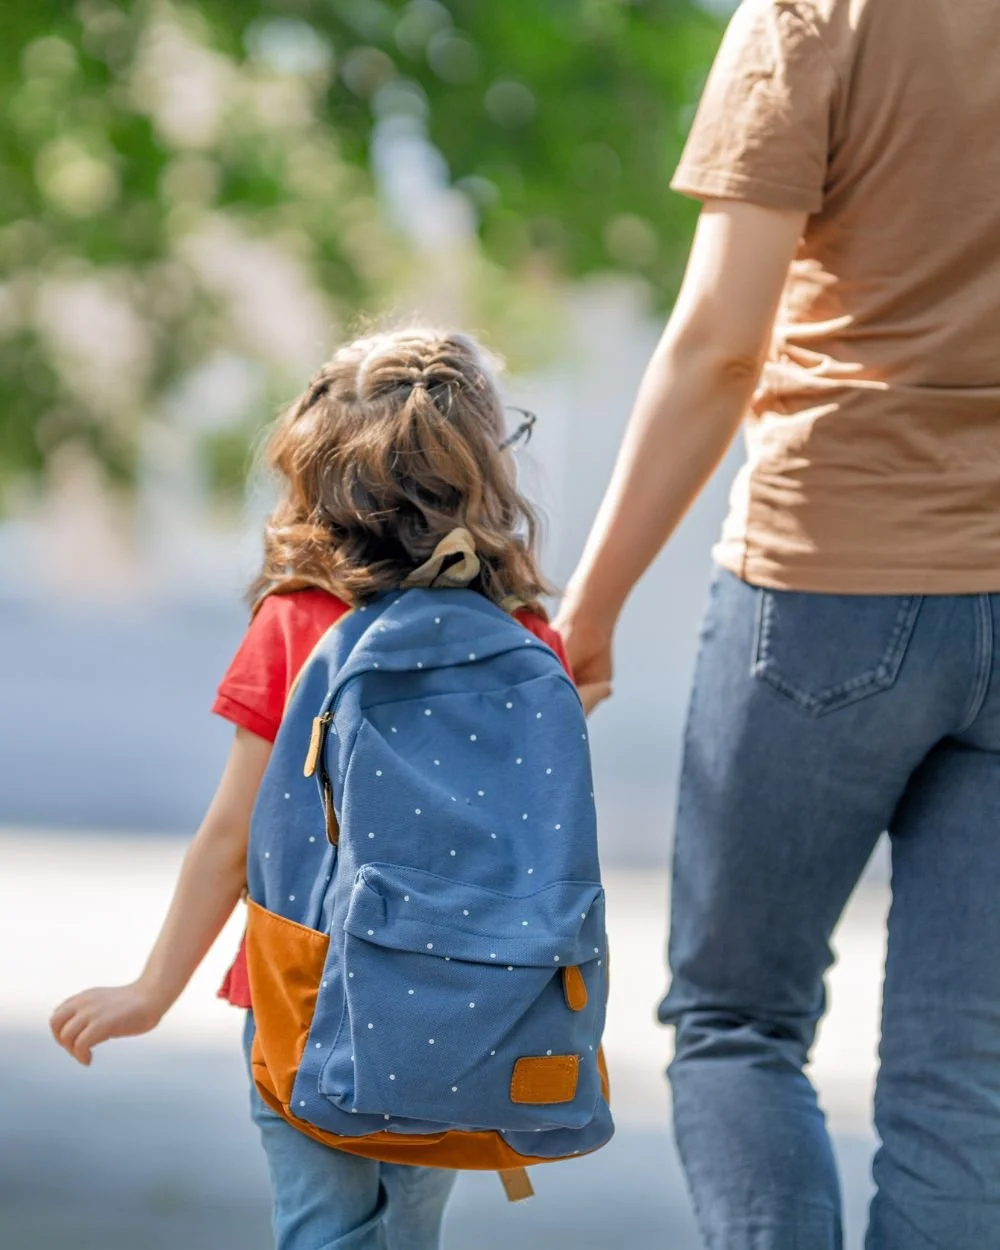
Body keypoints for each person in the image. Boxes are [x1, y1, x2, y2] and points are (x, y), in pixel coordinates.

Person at [555, 1, 1000, 1247]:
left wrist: (590, 607)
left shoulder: (816, 16)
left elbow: (715, 348)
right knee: (964, 1075)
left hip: (826, 580)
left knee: (737, 1021)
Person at [50, 328, 608, 1250]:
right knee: (405, 1236)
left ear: (316, 474)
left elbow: (231, 832)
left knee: (323, 1230)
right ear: (483, 473)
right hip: (473, 1004)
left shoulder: (298, 621)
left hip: (304, 997)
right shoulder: (527, 638)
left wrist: (152, 989)